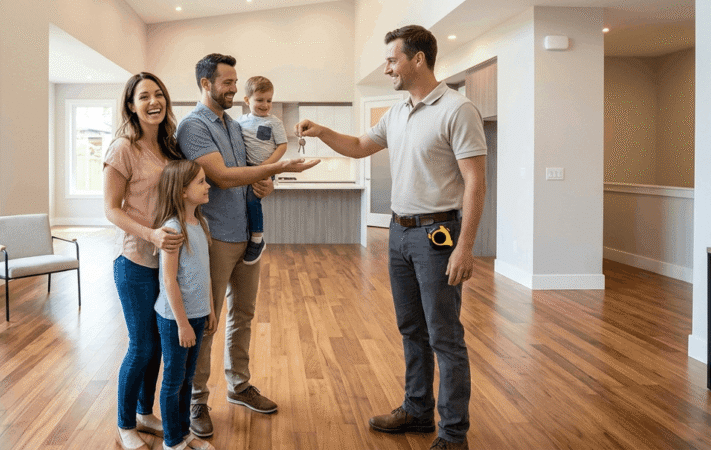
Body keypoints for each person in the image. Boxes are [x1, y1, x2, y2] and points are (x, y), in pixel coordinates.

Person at [296, 25, 486, 450]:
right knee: (411, 328)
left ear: (418, 59)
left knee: (444, 335)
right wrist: (322, 131)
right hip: (399, 234)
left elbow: (476, 182)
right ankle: (417, 410)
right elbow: (359, 145)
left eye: (392, 60)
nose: (387, 69)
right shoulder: (398, 112)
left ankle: (453, 434)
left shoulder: (457, 109)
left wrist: (465, 247)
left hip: (438, 236)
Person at [176, 53, 319, 439]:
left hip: (246, 236)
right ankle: (196, 400)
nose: (234, 88)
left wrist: (264, 184)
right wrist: (278, 168)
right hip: (215, 238)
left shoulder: (233, 124)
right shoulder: (193, 126)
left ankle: (238, 385)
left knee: (244, 315)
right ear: (206, 83)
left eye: (235, 82)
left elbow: (246, 175)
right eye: (227, 82)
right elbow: (222, 177)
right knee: (206, 322)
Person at [104, 72, 186, 450]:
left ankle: (143, 412)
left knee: (158, 345)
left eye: (159, 95)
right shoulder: (123, 148)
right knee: (141, 346)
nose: (154, 102)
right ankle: (124, 424)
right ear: (131, 105)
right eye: (144, 97)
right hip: (134, 260)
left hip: (167, 262)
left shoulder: (170, 146)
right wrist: (151, 235)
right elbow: (111, 209)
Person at [153, 160, 218, 450]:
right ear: (182, 191)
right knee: (173, 381)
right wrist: (182, 324)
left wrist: (210, 310)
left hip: (198, 315)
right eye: (201, 182)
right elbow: (169, 281)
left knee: (188, 379)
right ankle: (172, 441)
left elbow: (205, 274)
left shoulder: (201, 224)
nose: (208, 186)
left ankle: (183, 432)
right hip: (175, 320)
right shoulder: (172, 228)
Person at [236, 76, 288, 264]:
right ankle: (246, 235)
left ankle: (257, 239)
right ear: (247, 100)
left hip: (265, 169)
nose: (265, 105)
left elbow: (282, 146)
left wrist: (266, 167)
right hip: (247, 170)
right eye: (260, 100)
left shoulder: (274, 122)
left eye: (269, 100)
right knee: (242, 202)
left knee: (252, 199)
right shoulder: (239, 122)